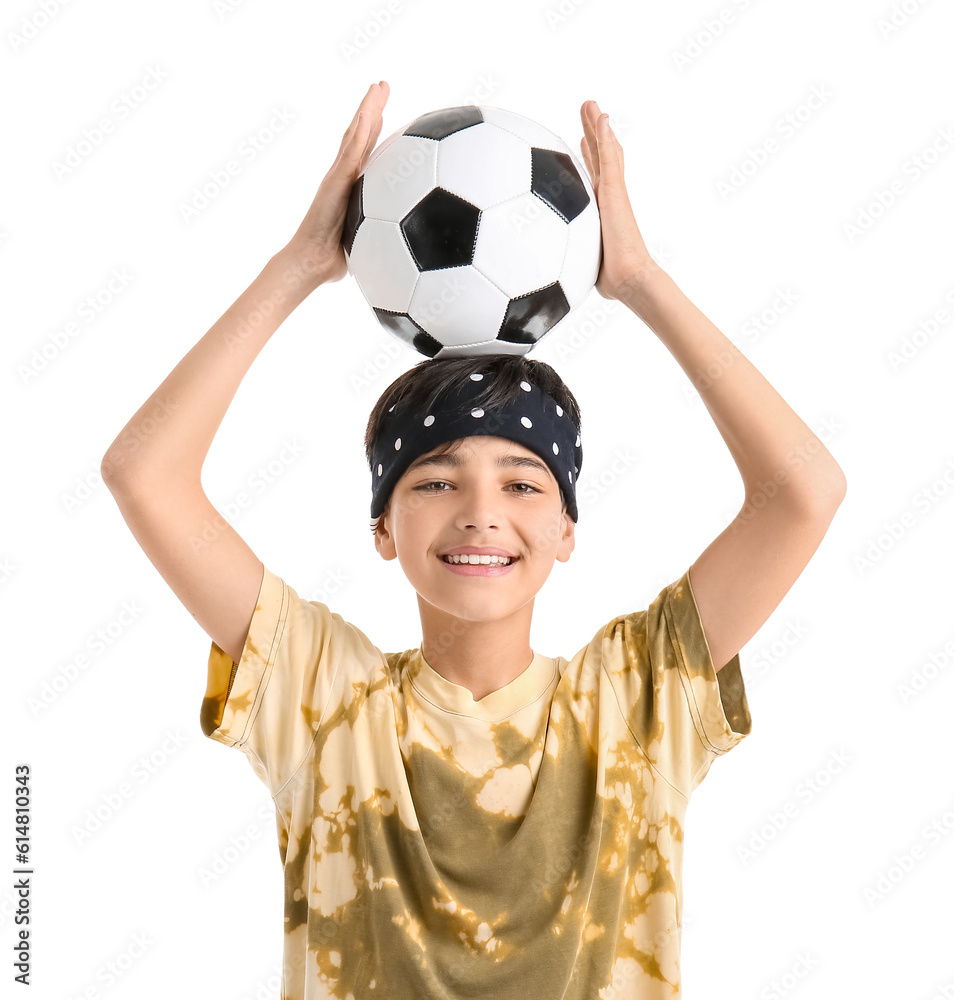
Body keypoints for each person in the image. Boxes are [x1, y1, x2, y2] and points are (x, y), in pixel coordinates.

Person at [101, 81, 847, 999]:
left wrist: (643, 282)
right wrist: (299, 264)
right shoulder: (327, 699)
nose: (481, 511)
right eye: (436, 481)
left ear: (567, 527)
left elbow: (804, 494)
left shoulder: (636, 700)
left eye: (524, 482)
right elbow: (144, 473)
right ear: (383, 526)